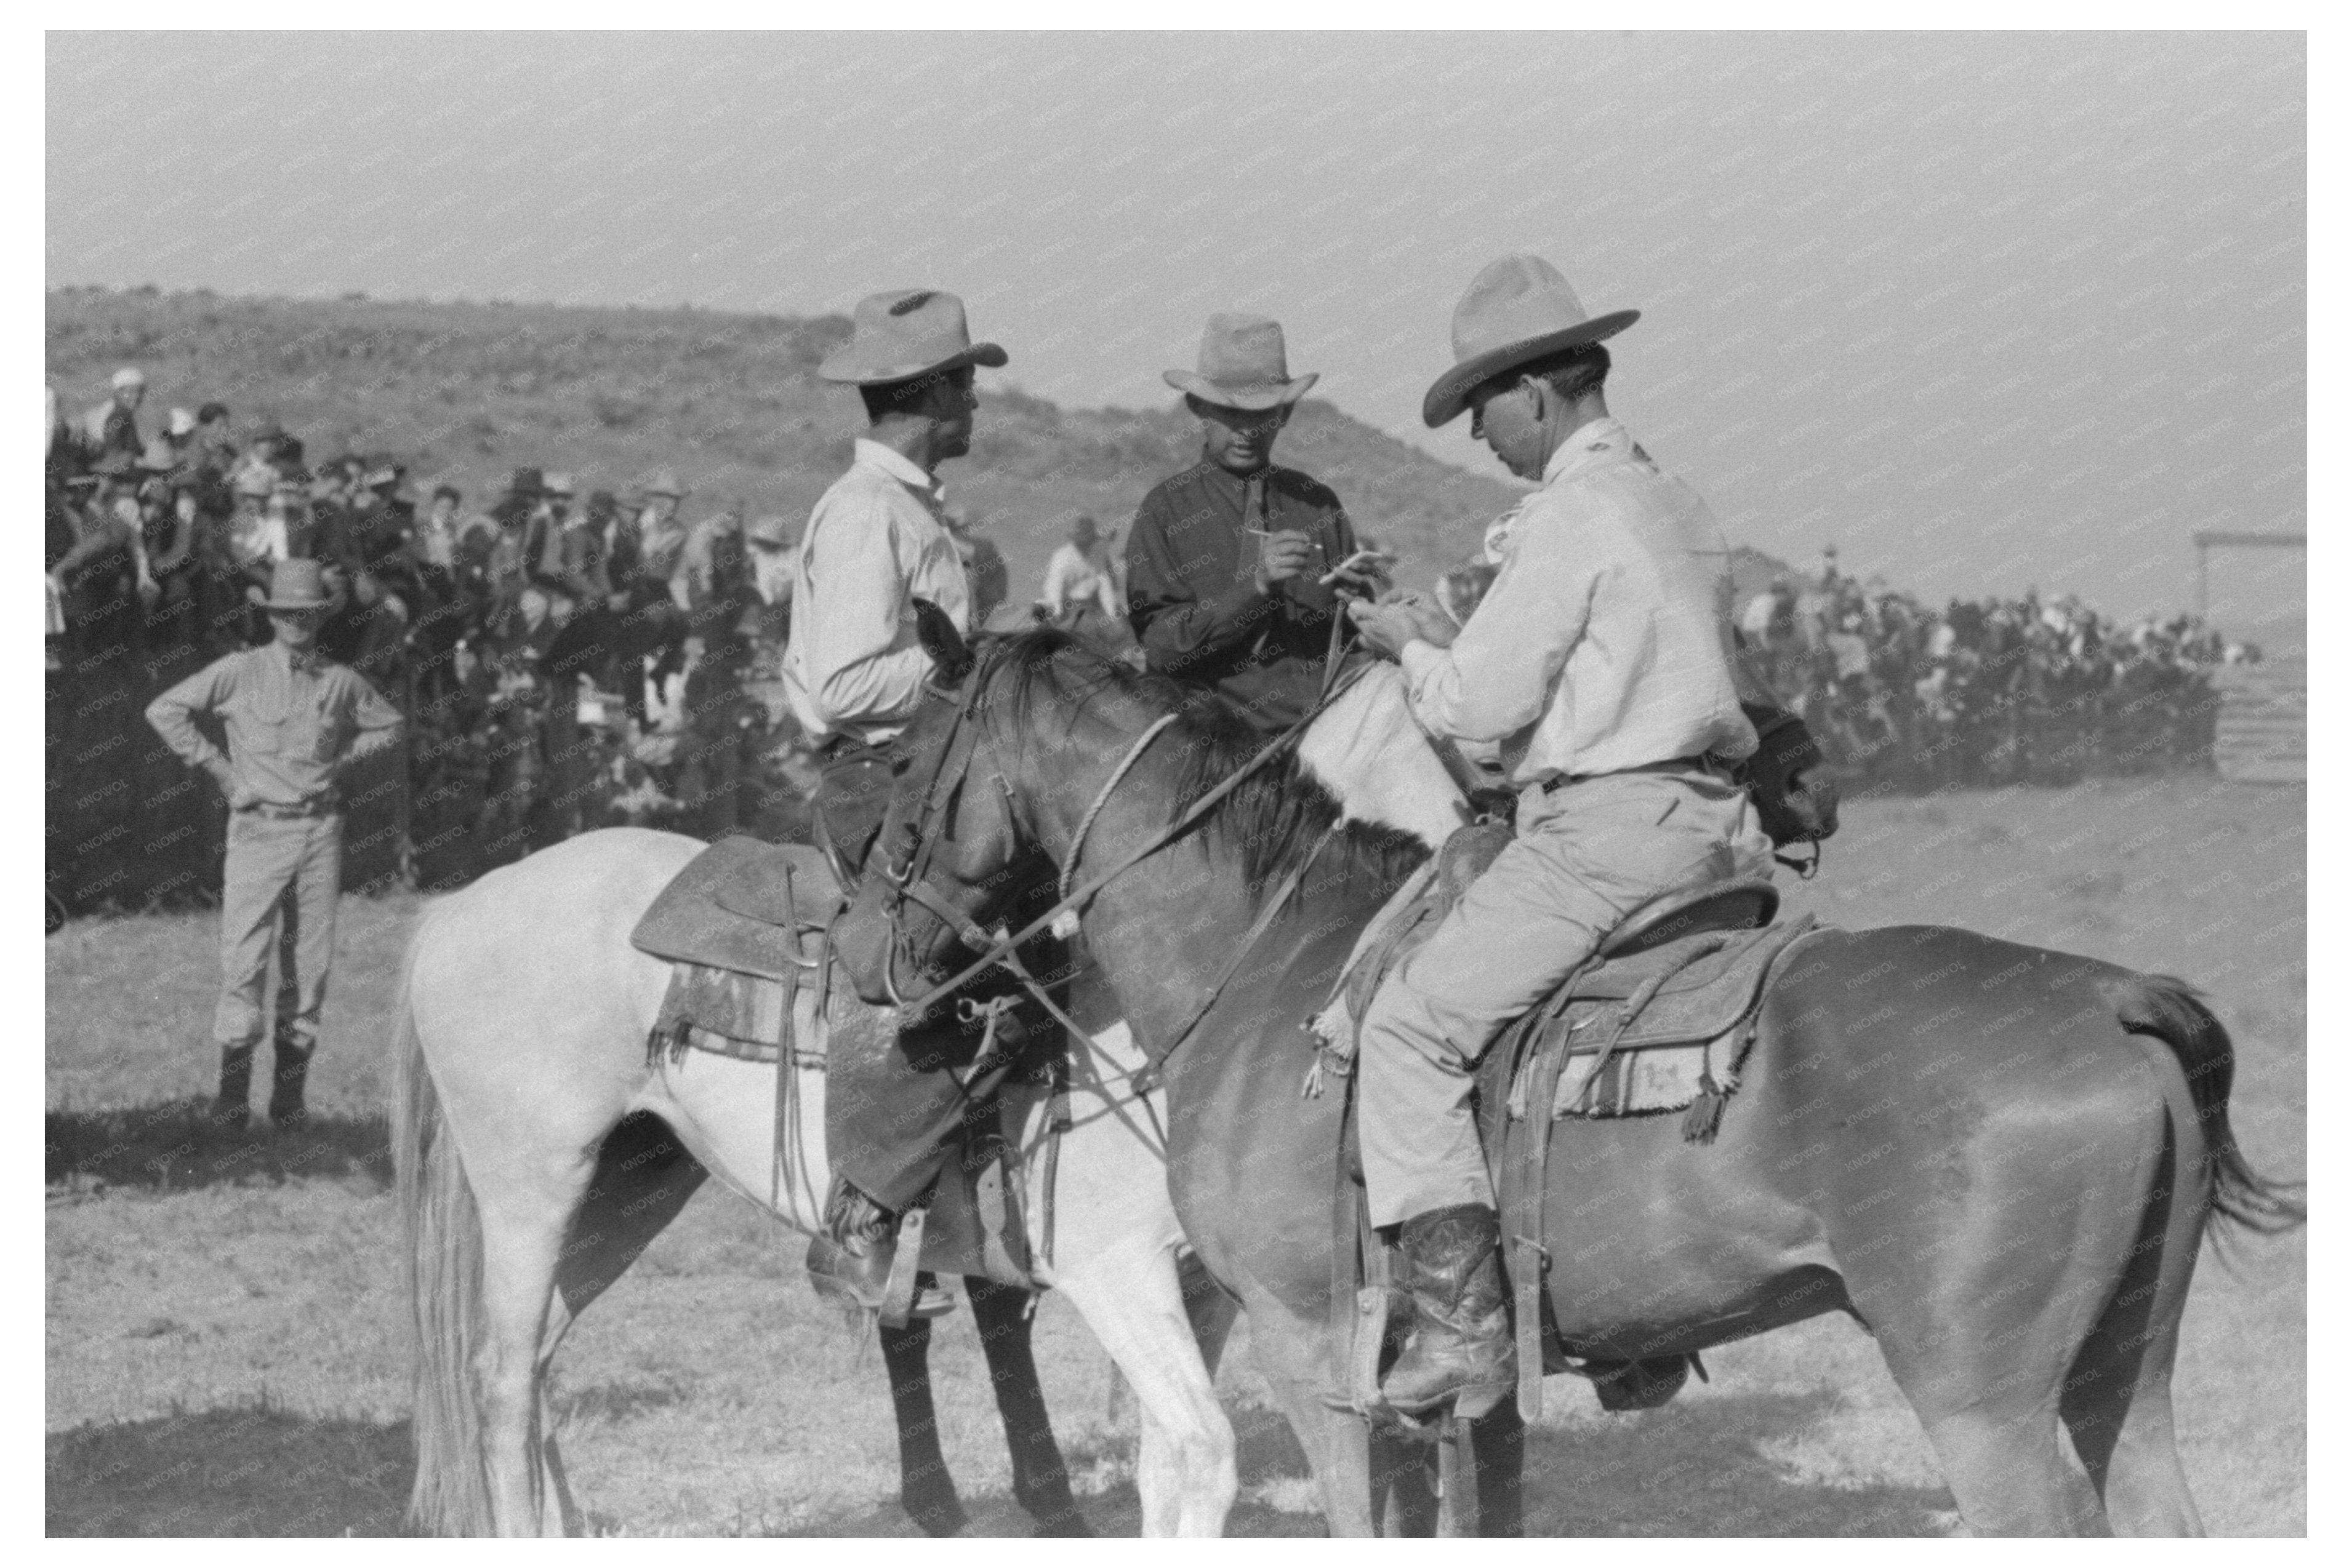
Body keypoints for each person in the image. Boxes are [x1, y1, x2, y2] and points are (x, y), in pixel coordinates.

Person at [1343, 255, 1780, 1417]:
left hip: (1605, 833)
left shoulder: (1569, 514)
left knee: (1410, 1031)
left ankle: (1462, 1329)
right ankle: (1634, 1303)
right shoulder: (1674, 499)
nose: (1476, 431)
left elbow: (1481, 718)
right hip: (1717, 835)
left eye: (1480, 404)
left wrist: (1404, 644)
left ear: (1535, 392)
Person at [779, 285, 1005, 1305]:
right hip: (876, 779)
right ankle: (864, 1214)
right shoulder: (871, 511)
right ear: (928, 395)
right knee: (935, 956)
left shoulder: (903, 505)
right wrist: (970, 673)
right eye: (965, 383)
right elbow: (841, 683)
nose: (975, 403)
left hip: (918, 772)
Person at [145, 558, 404, 1127]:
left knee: (308, 966)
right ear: (270, 616)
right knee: (245, 958)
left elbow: (388, 724)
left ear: (321, 617)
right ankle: (232, 1103)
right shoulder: (239, 670)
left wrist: (343, 761)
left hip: (318, 830)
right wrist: (219, 771)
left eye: (308, 614)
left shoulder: (339, 680)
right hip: (258, 829)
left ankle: (289, 1102)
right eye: (287, 614)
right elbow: (165, 710)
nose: (297, 624)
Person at [1123, 313, 1376, 733]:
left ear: (1286, 412)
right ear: (1197, 407)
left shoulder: (1316, 505)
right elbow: (1163, 648)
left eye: (1262, 415)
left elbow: (1349, 637)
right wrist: (1255, 589)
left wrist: (1371, 606)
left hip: (1320, 743)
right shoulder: (1166, 511)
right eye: (1229, 414)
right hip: (1208, 748)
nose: (1246, 431)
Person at [1039, 514, 1124, 638]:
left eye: (1088, 543)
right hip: (1066, 605)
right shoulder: (1062, 557)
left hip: (1092, 604)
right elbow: (1055, 586)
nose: (1085, 547)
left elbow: (1104, 584)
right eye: (1082, 543)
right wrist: (1057, 610)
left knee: (1120, 632)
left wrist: (1112, 613)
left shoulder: (1097, 554)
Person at [80, 366, 147, 465]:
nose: (136, 396)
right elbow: (113, 451)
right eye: (130, 392)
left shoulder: (121, 412)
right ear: (117, 392)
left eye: (140, 392)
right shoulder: (118, 414)